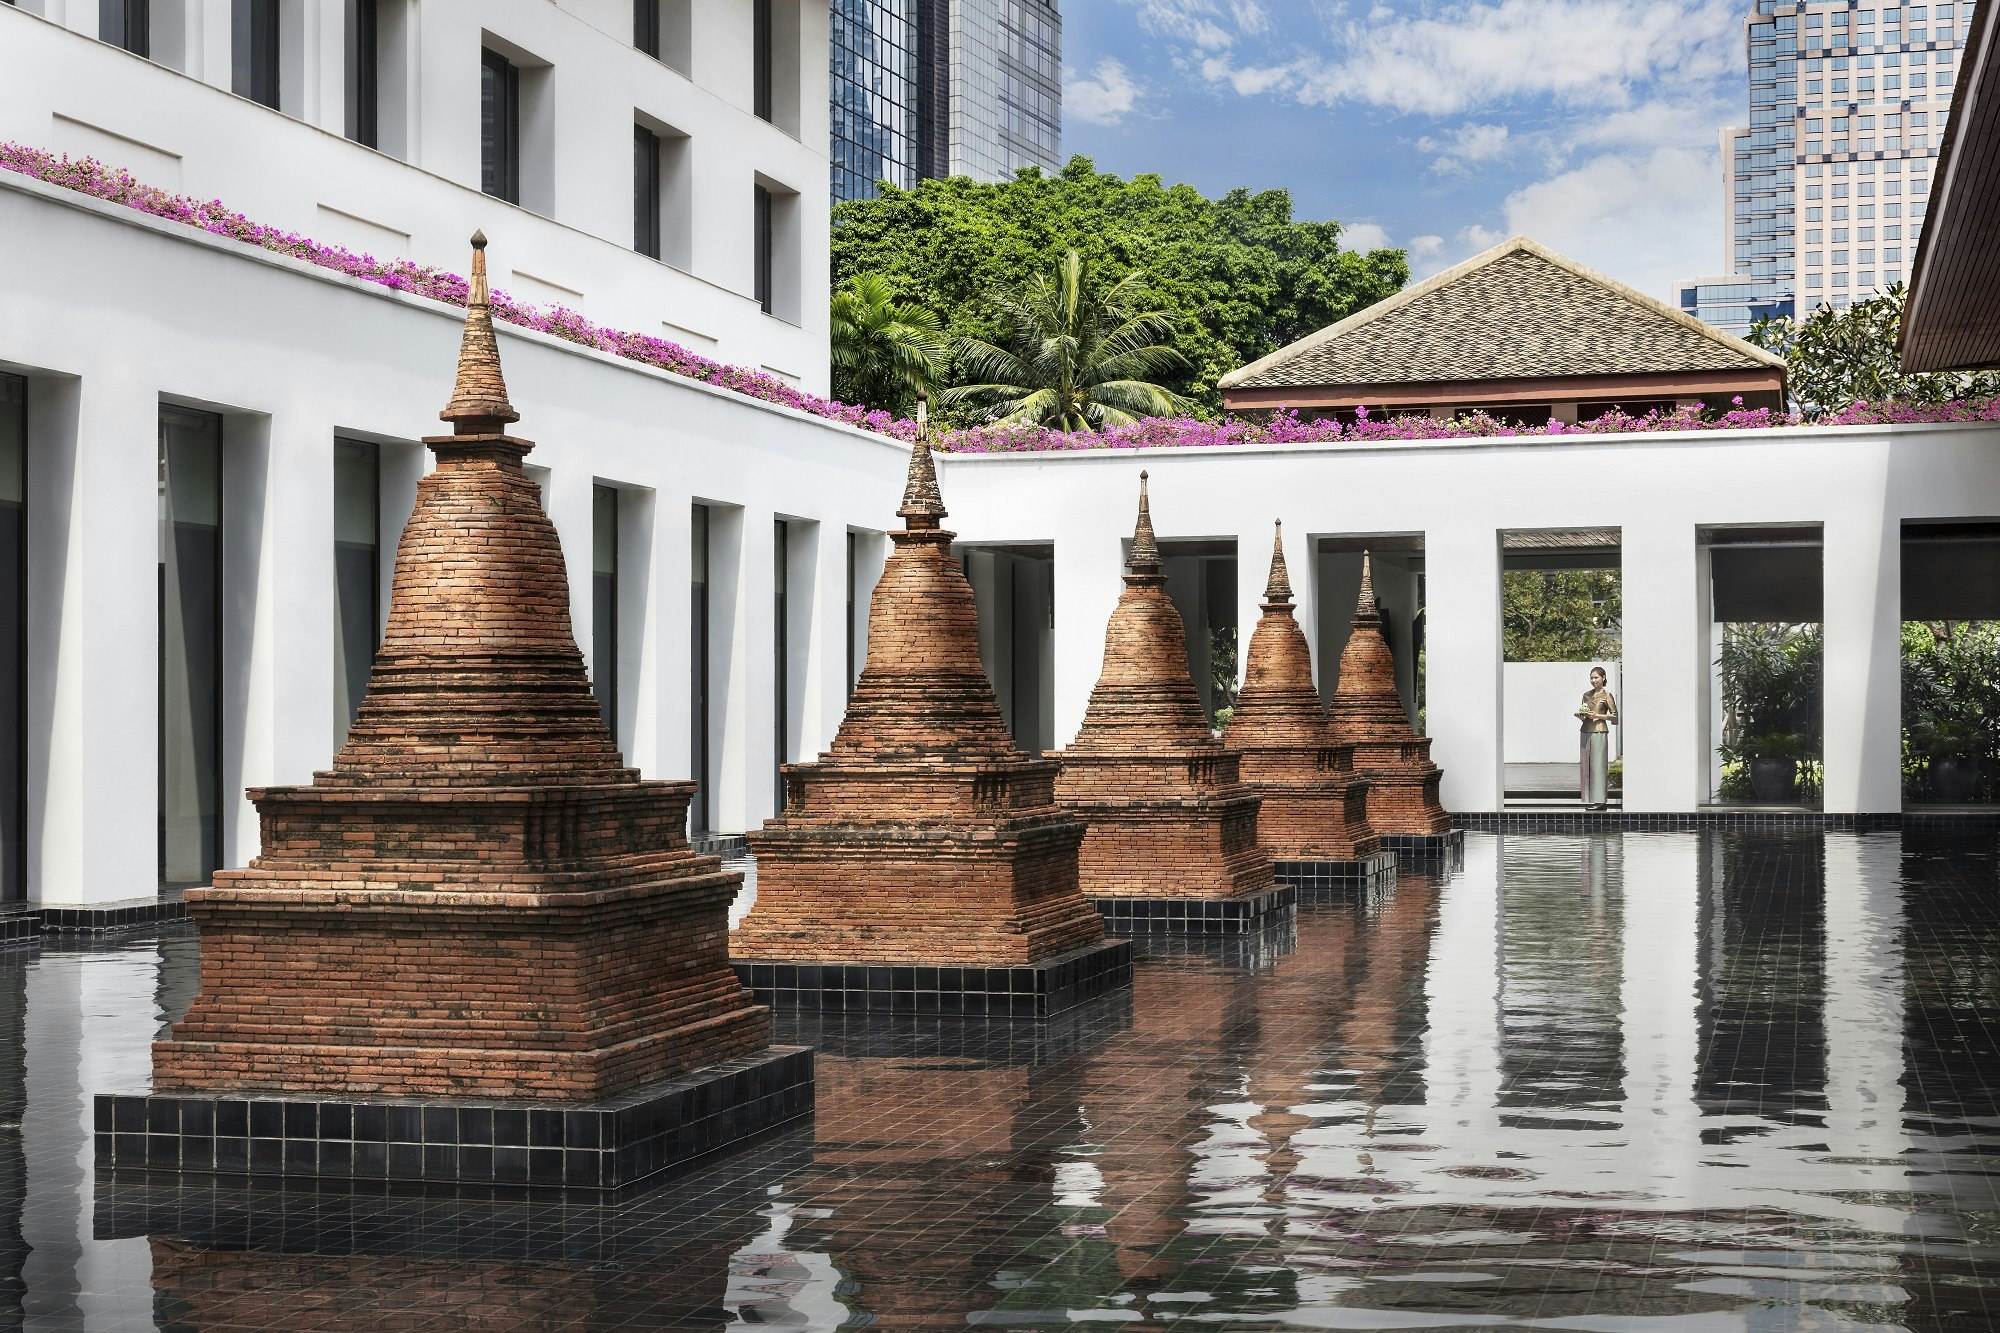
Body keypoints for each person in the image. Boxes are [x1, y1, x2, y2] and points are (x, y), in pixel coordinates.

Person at [1576, 666, 1619, 810]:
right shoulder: (1586, 695)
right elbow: (1584, 713)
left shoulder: (1607, 695)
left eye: (1596, 677)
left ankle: (1600, 800)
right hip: (1585, 731)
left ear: (1604, 678)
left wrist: (1598, 716)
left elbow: (1615, 717)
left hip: (1599, 731)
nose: (1593, 680)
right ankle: (1589, 798)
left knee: (1598, 766)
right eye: (1591, 678)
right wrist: (1582, 716)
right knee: (1586, 766)